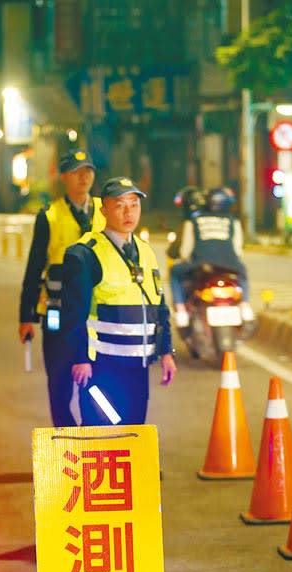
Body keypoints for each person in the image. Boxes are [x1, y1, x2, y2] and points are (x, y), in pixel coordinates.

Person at [60, 176, 176, 426]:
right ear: (104, 210)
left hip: (139, 365)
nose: (128, 212)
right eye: (120, 205)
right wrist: (80, 358)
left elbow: (160, 306)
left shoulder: (146, 251)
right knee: (102, 433)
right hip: (101, 367)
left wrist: (167, 351)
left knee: (134, 433)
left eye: (134, 204)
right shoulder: (85, 254)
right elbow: (73, 314)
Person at [18, 149, 105, 426]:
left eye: (88, 171)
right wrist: (26, 316)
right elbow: (34, 268)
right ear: (64, 177)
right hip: (56, 313)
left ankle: (92, 440)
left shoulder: (106, 211)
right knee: (59, 380)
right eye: (77, 172)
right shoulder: (50, 215)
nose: (84, 177)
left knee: (96, 382)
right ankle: (65, 442)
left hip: (95, 315)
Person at [169, 186, 254, 329]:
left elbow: (185, 252)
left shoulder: (193, 221)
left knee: (174, 272)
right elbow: (238, 250)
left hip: (201, 266)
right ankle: (245, 305)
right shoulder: (233, 221)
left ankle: (181, 310)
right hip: (230, 265)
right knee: (243, 272)